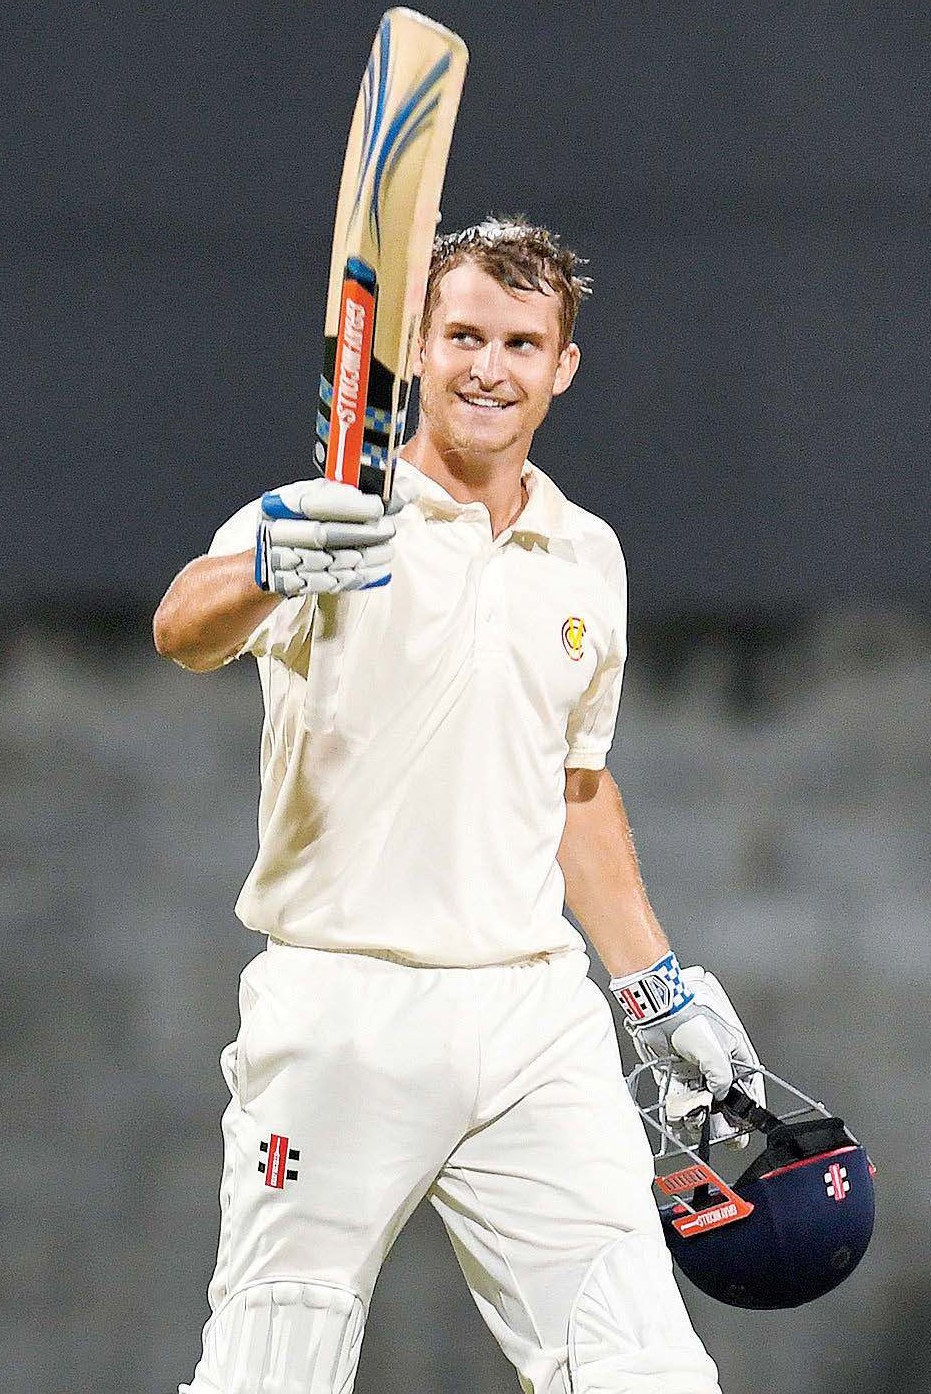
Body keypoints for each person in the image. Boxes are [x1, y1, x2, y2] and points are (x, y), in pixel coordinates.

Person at [153, 218, 761, 1394]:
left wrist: (658, 989)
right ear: (417, 347)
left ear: (562, 366)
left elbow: (573, 787)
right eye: (466, 336)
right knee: (269, 1373)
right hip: (343, 1007)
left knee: (647, 1373)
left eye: (521, 344)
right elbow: (184, 626)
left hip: (531, 1016)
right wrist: (271, 564)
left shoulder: (586, 554)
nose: (490, 367)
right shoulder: (331, 511)